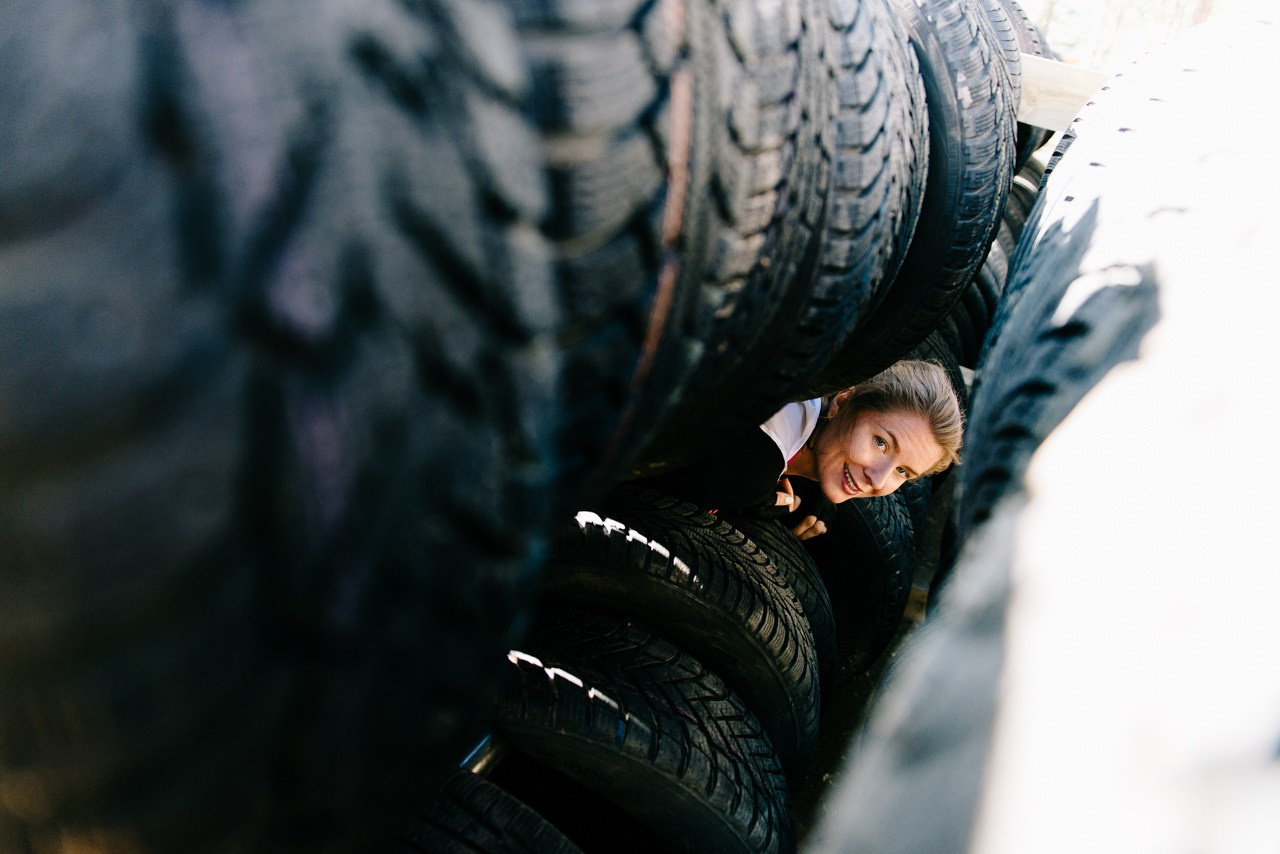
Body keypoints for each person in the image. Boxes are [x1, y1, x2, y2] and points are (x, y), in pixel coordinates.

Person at [641, 359, 964, 540]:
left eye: (902, 472)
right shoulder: (753, 463)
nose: (879, 480)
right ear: (842, 400)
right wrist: (749, 503)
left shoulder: (809, 397)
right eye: (881, 443)